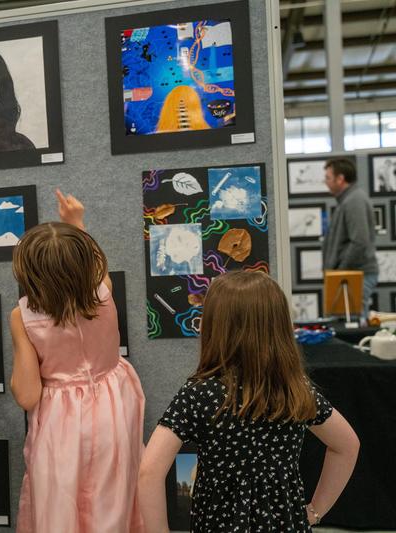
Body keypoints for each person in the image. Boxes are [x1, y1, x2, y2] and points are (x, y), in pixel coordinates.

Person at [138, 271, 359, 532]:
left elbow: (149, 472)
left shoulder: (200, 393)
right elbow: (347, 445)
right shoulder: (293, 389)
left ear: (215, 327)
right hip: (285, 524)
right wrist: (315, 510)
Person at [10, 190, 146, 532]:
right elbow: (95, 263)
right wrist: (77, 223)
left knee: (61, 497)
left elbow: (27, 395)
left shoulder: (23, 316)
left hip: (62, 418)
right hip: (115, 404)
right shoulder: (102, 292)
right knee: (114, 493)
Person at [322, 158, 378, 321]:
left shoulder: (354, 201)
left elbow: (359, 241)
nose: (325, 182)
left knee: (351, 328)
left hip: (353, 275)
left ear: (340, 179)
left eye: (328, 178)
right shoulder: (348, 200)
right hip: (350, 275)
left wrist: (340, 272)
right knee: (348, 324)